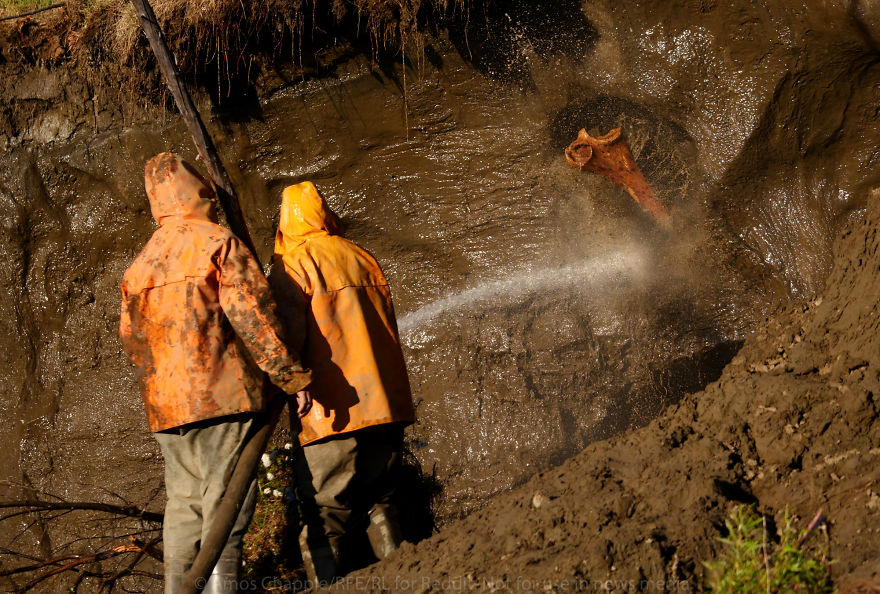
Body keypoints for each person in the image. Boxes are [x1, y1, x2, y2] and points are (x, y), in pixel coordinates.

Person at [119, 153, 312, 594]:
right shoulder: (215, 242)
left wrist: (165, 381)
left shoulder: (142, 264)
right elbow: (253, 316)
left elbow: (132, 340)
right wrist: (288, 375)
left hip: (167, 407)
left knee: (184, 508)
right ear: (199, 188)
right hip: (222, 395)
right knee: (227, 508)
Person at [269, 181, 415, 586]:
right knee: (381, 501)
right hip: (383, 402)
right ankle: (403, 580)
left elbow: (287, 336)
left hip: (332, 409)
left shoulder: (294, 267)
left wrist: (289, 383)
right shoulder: (361, 256)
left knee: (325, 510)